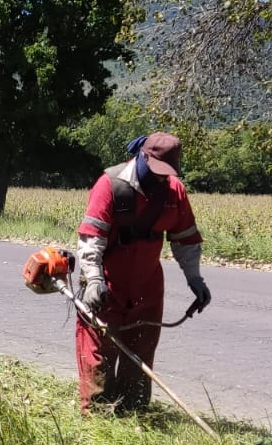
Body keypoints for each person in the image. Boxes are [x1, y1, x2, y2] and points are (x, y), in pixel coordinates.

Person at [72, 132, 211, 413]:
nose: (161, 178)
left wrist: (195, 280)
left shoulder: (174, 192)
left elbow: (185, 241)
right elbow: (91, 239)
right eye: (157, 171)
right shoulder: (110, 185)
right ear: (143, 157)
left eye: (167, 173)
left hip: (147, 287)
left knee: (141, 351)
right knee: (99, 352)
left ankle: (132, 413)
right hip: (106, 285)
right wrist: (94, 280)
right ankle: (97, 416)